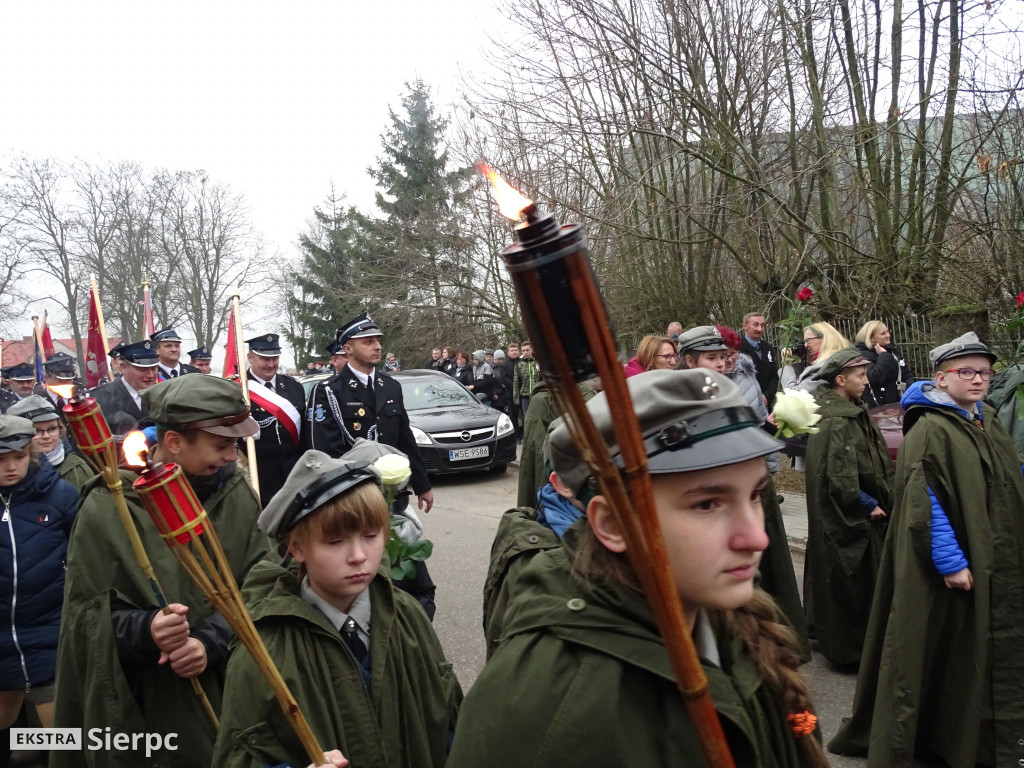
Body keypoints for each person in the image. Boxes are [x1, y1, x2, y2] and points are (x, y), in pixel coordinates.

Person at [449, 370, 827, 767]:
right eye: (706, 504)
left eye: (754, 495)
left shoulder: (735, 619)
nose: (756, 538)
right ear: (612, 525)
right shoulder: (551, 710)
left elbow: (798, 731)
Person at [53, 375, 270, 768]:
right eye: (220, 445)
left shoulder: (237, 493)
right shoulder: (110, 507)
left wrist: (210, 641)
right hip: (150, 712)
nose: (230, 456)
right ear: (174, 442)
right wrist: (146, 628)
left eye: (235, 445)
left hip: (237, 692)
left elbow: (263, 586)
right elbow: (85, 621)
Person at [829, 332, 1024, 767]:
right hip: (953, 565)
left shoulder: (985, 419)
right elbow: (925, 503)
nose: (977, 379)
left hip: (994, 554)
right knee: (945, 653)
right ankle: (943, 736)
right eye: (966, 371)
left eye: (985, 371)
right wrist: (951, 561)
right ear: (941, 377)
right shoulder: (931, 427)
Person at [212, 452, 461, 768]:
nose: (358, 555)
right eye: (335, 541)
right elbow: (240, 755)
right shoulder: (266, 650)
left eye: (371, 536)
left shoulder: (407, 617)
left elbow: (447, 725)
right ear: (297, 547)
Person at [803, 347, 893, 666]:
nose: (867, 381)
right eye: (860, 375)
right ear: (841, 380)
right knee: (852, 582)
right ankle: (854, 652)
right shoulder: (837, 420)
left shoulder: (852, 410)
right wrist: (869, 504)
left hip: (856, 513)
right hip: (849, 519)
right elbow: (839, 477)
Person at [303, 313, 433, 513]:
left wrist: (422, 484)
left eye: (378, 341)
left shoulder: (391, 386)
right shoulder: (328, 391)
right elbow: (323, 449)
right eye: (368, 342)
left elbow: (404, 437)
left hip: (392, 492)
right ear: (348, 349)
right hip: (351, 495)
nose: (378, 347)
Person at [0, 416, 77, 732]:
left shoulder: (60, 495)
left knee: (61, 737)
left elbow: (84, 553)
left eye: (18, 457)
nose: (10, 467)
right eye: (0, 460)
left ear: (31, 453)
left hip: (49, 633)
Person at [244, 333, 307, 506]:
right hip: (259, 475)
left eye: (274, 358)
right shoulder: (238, 388)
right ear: (250, 357)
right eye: (264, 358)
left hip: (294, 475)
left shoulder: (294, 387)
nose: (271, 364)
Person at [90, 339, 160, 461]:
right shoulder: (99, 398)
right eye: (142, 369)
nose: (150, 375)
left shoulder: (163, 395)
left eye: (154, 368)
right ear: (123, 367)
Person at [7, 396, 93, 492]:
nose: (46, 436)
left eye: (52, 429)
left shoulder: (77, 468)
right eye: (37, 431)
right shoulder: (7, 469)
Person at [854, 320, 912, 407]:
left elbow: (906, 373)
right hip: (879, 406)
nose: (888, 335)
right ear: (871, 338)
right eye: (883, 333)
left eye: (888, 331)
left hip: (899, 401)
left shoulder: (893, 351)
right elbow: (874, 377)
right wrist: (883, 356)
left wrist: (909, 387)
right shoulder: (862, 355)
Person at [792, 322, 850, 395]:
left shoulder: (828, 365)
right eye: (804, 342)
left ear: (824, 338)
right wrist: (798, 361)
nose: (805, 345)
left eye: (808, 340)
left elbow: (796, 394)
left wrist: (786, 366)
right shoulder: (842, 357)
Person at [740, 312, 780, 409]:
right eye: (756, 325)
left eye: (762, 325)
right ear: (745, 326)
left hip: (767, 404)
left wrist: (767, 396)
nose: (760, 329)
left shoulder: (768, 348)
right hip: (746, 405)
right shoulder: (736, 349)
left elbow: (774, 375)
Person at [512, 340, 539, 424]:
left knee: (538, 417)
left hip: (537, 394)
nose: (525, 352)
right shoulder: (519, 364)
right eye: (523, 351)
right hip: (525, 396)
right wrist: (516, 399)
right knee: (527, 418)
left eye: (527, 350)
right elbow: (515, 381)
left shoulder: (537, 362)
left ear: (532, 350)